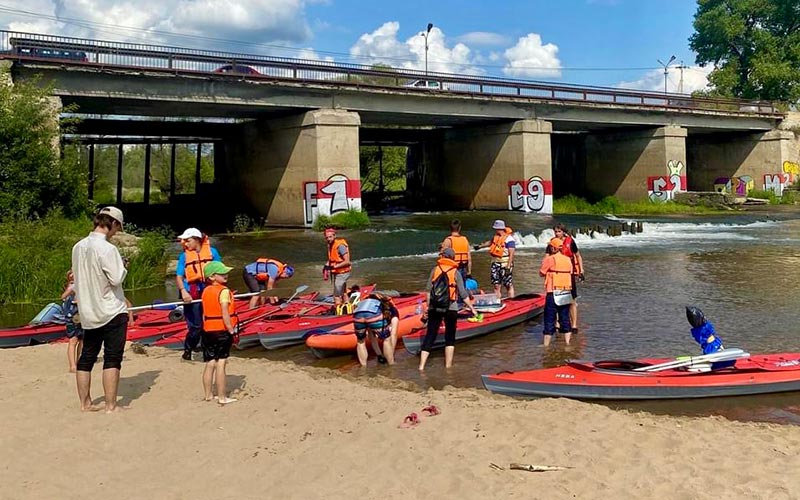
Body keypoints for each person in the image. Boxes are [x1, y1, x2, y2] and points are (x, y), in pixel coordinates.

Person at [71, 206, 129, 413]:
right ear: (112, 223)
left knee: (86, 357)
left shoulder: (78, 246)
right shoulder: (108, 249)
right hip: (111, 309)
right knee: (113, 358)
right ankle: (111, 405)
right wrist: (123, 267)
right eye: (117, 228)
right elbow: (116, 278)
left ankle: (85, 403)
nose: (116, 232)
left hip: (88, 309)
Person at [418, 248, 478, 370]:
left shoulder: (435, 270)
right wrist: (472, 308)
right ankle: (448, 366)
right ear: (452, 258)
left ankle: (421, 366)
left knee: (430, 335)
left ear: (443, 257)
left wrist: (429, 307)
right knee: (450, 337)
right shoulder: (456, 272)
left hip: (435, 307)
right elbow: (463, 293)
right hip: (451, 307)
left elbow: (428, 291)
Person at [176, 227, 221, 361]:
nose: (185, 243)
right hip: (191, 292)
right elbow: (179, 277)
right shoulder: (184, 256)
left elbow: (220, 271)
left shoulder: (212, 253)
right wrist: (183, 292)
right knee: (196, 326)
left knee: (209, 324)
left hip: (208, 290)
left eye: (188, 240)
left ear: (196, 240)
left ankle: (208, 353)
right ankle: (188, 350)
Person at [200, 261, 238, 405]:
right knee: (221, 362)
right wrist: (231, 329)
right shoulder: (224, 291)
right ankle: (222, 397)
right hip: (221, 331)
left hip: (208, 330)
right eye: (221, 273)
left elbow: (204, 313)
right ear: (212, 277)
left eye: (225, 272)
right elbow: (224, 312)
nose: (225, 275)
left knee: (210, 362)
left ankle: (208, 395)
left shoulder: (205, 291)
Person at [539, 237, 573, 347]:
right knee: (565, 317)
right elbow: (571, 271)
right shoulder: (568, 259)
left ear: (553, 248)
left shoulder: (550, 259)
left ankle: (546, 345)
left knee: (549, 317)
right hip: (566, 291)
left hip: (552, 291)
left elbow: (541, 272)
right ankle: (568, 343)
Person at [352, 292, 400, 367]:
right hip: (373, 314)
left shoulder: (364, 301)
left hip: (358, 315)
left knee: (360, 341)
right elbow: (393, 334)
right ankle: (391, 364)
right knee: (386, 339)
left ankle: (363, 367)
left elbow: (371, 335)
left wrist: (379, 355)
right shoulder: (389, 308)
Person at [554, 224, 584, 334]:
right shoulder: (553, 243)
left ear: (563, 232)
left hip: (569, 273)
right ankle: (558, 323)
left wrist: (581, 271)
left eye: (558, 231)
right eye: (555, 231)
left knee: (572, 299)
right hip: (557, 274)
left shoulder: (570, 242)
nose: (556, 234)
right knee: (557, 299)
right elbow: (547, 256)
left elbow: (578, 255)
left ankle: (574, 324)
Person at [475, 220, 516, 298]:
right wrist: (479, 246)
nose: (495, 230)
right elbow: (490, 243)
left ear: (501, 228)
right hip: (495, 263)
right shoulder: (495, 237)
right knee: (496, 285)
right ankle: (497, 301)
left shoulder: (510, 239)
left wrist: (508, 265)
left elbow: (511, 254)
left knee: (508, 284)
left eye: (496, 228)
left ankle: (512, 300)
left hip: (505, 263)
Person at [61, 270, 83, 373]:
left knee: (82, 340)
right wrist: (71, 291)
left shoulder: (82, 284)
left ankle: (78, 361)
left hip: (82, 314)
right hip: (73, 315)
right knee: (73, 340)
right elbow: (63, 296)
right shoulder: (73, 285)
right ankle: (72, 365)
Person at [323, 228, 351, 307]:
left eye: (330, 237)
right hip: (338, 272)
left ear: (334, 236)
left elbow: (347, 261)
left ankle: (338, 311)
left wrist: (334, 267)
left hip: (343, 273)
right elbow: (333, 259)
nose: (328, 239)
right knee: (344, 292)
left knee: (336, 295)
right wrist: (326, 267)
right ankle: (347, 306)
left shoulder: (340, 246)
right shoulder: (331, 245)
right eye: (326, 238)